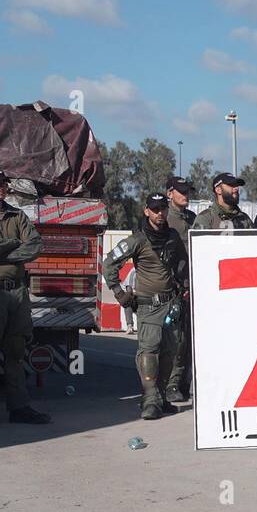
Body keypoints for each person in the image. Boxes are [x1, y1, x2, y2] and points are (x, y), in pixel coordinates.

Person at [0, 167, 51, 428]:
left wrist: (5, 252)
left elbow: (36, 245)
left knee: (16, 351)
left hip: (17, 291)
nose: (0, 187)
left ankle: (19, 407)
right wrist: (14, 243)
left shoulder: (17, 215)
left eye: (3, 183)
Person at [104, 191, 183, 419]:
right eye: (155, 209)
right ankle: (150, 399)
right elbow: (109, 262)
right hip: (149, 307)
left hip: (172, 304)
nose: (160, 213)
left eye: (163, 209)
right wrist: (118, 292)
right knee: (149, 352)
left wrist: (183, 286)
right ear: (147, 211)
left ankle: (161, 396)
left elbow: (181, 264)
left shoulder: (173, 237)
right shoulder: (137, 240)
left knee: (170, 353)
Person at [164, 175, 197, 403]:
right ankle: (170, 384)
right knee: (175, 339)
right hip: (174, 287)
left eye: (187, 191)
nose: (185, 195)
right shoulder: (164, 219)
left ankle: (186, 382)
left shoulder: (194, 219)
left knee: (191, 339)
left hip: (193, 286)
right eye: (180, 191)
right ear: (170, 194)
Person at [119, 264, 138, 333]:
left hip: (139, 293)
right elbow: (129, 289)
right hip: (130, 293)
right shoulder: (134, 271)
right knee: (128, 304)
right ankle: (130, 326)